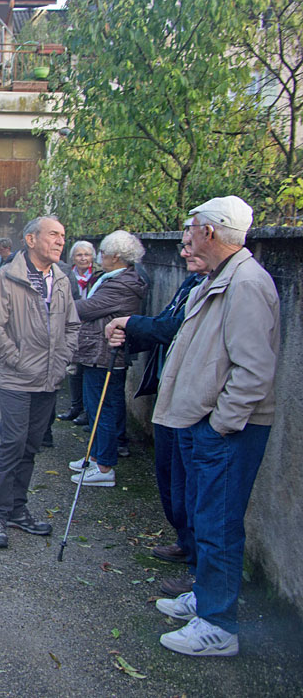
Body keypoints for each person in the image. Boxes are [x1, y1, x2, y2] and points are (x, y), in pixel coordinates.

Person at [142, 197, 278, 657]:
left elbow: (254, 371)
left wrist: (219, 425)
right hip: (206, 423)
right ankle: (205, 598)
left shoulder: (246, 283)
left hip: (227, 428)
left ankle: (218, 625)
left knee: (218, 524)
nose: (188, 235)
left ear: (211, 232)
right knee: (205, 517)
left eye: (193, 227)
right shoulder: (220, 277)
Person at [104, 240, 207, 598]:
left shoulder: (226, 286)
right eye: (183, 244)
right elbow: (164, 325)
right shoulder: (192, 282)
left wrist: (129, 323)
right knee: (169, 476)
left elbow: (170, 327)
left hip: (192, 399)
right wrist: (130, 337)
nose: (184, 252)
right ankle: (184, 541)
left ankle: (198, 566)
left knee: (190, 485)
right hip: (169, 391)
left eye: (191, 244)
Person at [0, 215, 79, 548]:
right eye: (53, 234)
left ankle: (17, 510)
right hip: (17, 380)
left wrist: (62, 360)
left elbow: (72, 326)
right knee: (12, 444)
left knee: (31, 447)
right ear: (31, 240)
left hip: (50, 379)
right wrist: (18, 360)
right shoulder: (8, 277)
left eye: (62, 235)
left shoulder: (61, 279)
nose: (60, 241)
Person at [66, 230, 147, 488]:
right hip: (97, 351)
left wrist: (57, 303)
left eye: (103, 252)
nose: (99, 256)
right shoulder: (113, 277)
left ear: (116, 256)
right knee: (95, 407)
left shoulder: (121, 284)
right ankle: (95, 457)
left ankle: (104, 466)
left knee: (103, 409)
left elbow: (87, 308)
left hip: (105, 354)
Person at [57, 240, 97, 424]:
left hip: (91, 325)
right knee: (73, 368)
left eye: (87, 255)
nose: (83, 258)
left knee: (86, 368)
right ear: (73, 257)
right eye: (79, 255)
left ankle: (87, 412)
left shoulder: (98, 276)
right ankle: (75, 407)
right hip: (71, 323)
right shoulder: (66, 273)